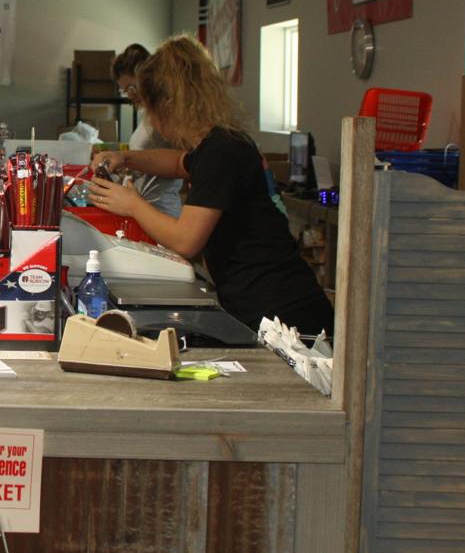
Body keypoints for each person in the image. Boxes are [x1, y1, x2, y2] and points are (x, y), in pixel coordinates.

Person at [88, 34, 333, 335]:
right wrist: (126, 158)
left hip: (283, 314)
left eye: (150, 109)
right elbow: (179, 163)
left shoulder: (222, 152)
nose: (150, 119)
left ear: (167, 106)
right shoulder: (216, 145)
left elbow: (186, 240)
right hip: (264, 304)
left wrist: (132, 204)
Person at [111, 44, 183, 218]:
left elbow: (180, 161)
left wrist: (128, 161)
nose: (129, 95)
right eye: (124, 90)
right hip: (144, 207)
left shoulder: (167, 114)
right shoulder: (147, 114)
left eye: (131, 87)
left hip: (161, 210)